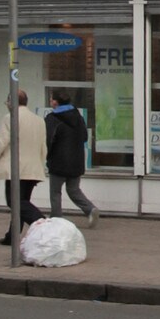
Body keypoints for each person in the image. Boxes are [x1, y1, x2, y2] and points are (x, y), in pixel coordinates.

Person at [0, 88, 50, 246]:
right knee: (22, 202)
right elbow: (43, 147)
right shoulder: (39, 120)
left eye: (8, 102)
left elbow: (1, 142)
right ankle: (12, 236)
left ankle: (42, 224)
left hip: (16, 168)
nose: (7, 105)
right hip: (33, 168)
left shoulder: (10, 117)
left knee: (15, 202)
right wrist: (40, 165)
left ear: (12, 103)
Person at [45, 88, 99, 228]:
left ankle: (56, 220)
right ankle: (90, 209)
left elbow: (48, 140)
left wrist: (47, 155)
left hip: (58, 162)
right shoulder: (77, 116)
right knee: (74, 190)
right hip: (76, 161)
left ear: (56, 102)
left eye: (51, 99)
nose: (50, 101)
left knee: (55, 192)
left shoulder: (52, 119)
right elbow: (84, 137)